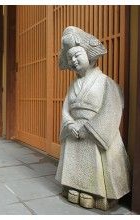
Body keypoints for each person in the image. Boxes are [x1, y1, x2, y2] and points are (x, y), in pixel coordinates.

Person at [55, 26, 130, 211]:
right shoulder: (73, 85)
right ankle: (72, 187)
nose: (73, 60)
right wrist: (69, 123)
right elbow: (66, 108)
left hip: (94, 130)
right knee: (75, 158)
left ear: (90, 55)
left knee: (95, 160)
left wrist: (90, 128)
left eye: (77, 55)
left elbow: (110, 109)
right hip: (75, 130)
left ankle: (98, 194)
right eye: (70, 57)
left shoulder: (106, 82)